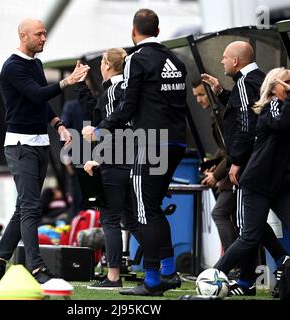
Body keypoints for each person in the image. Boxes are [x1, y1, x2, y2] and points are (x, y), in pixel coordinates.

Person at [83, 9, 187, 296]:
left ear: (133, 31)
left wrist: (102, 129)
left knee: (142, 213)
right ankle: (168, 272)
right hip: (177, 142)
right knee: (150, 208)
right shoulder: (175, 59)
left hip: (151, 143)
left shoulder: (136, 60)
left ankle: (152, 282)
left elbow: (128, 106)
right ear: (159, 29)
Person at [213, 67, 290, 293]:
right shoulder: (269, 110)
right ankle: (213, 275)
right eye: (287, 83)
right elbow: (281, 125)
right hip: (259, 183)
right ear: (273, 86)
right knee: (249, 237)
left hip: (284, 186)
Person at [0, 19, 89, 284]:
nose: (44, 38)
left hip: (41, 143)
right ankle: (36, 267)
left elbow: (42, 102)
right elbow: (35, 94)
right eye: (39, 34)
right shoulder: (12, 66)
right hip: (20, 146)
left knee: (23, 207)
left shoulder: (36, 64)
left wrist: (59, 125)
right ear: (23, 36)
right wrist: (68, 82)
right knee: (32, 207)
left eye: (45, 33)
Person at [202, 42, 289, 296]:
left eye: (225, 57)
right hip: (260, 162)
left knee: (245, 226)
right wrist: (220, 92)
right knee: (250, 224)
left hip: (248, 164)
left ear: (237, 62)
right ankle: (249, 279)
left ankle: (223, 276)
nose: (222, 61)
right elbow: (249, 110)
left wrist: (236, 160)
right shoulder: (257, 81)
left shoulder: (244, 83)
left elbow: (247, 125)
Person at [75, 48, 140, 289]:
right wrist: (81, 86)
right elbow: (99, 113)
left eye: (102, 62)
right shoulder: (125, 90)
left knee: (110, 221)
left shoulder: (115, 90)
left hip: (116, 163)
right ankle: (162, 267)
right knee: (133, 221)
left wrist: (99, 159)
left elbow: (116, 129)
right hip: (132, 162)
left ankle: (113, 277)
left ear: (107, 65)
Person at [192, 79, 237, 253]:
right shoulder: (217, 113)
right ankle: (240, 265)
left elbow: (232, 148)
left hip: (237, 170)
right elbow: (224, 149)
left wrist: (216, 175)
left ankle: (235, 263)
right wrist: (213, 162)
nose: (198, 100)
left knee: (220, 213)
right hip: (231, 168)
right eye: (196, 96)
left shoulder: (224, 113)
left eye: (202, 95)